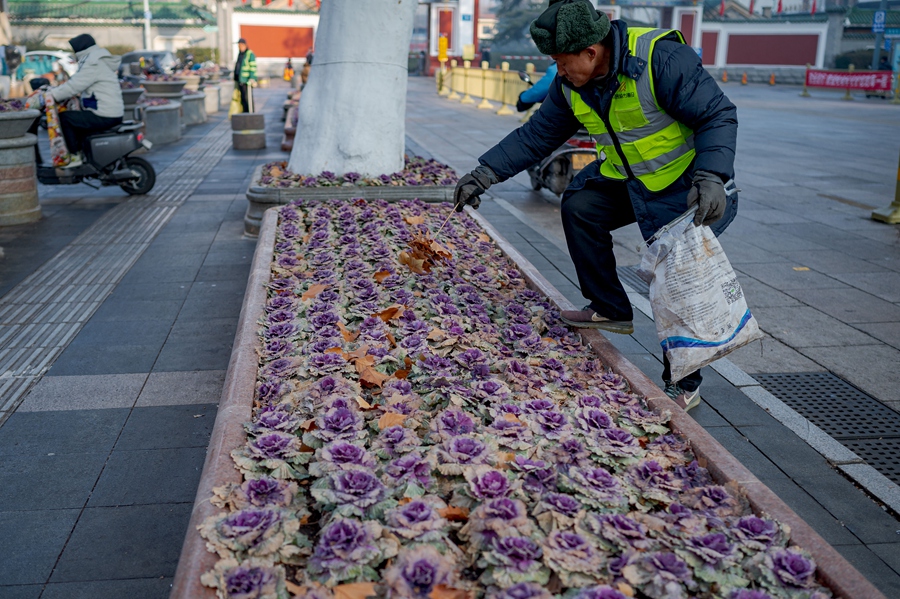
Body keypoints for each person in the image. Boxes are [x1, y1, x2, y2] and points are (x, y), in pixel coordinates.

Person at [452, 0, 738, 411]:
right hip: (629, 179)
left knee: (673, 275)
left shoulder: (659, 58)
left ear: (590, 51)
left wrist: (712, 176)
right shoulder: (572, 84)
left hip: (688, 186)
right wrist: (484, 173)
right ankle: (609, 308)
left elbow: (717, 115)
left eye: (562, 62)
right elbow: (538, 135)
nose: (559, 71)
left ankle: (683, 381)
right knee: (581, 204)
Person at [48, 34, 124, 168]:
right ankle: (83, 154)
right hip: (110, 112)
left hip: (104, 114)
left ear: (81, 49)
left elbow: (74, 86)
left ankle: (74, 156)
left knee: (65, 118)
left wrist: (52, 95)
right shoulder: (97, 60)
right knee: (77, 118)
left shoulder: (93, 63)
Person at [234, 38, 257, 113]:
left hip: (247, 80)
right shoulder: (240, 53)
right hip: (240, 80)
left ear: (244, 45)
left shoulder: (249, 54)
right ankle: (245, 112)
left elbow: (253, 67)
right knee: (242, 98)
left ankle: (250, 113)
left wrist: (252, 78)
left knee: (248, 98)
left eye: (240, 45)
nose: (239, 47)